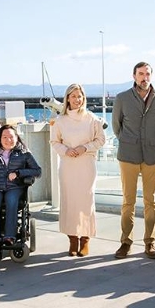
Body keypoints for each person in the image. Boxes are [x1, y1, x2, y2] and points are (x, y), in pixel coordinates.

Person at [112, 61, 155, 259]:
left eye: (147, 74)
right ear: (134, 76)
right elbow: (116, 126)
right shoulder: (122, 98)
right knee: (128, 201)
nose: (144, 78)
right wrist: (129, 141)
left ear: (151, 76)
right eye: (140, 74)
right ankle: (125, 242)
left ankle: (150, 243)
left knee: (150, 201)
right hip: (128, 156)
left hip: (153, 157)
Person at [50, 84, 106, 256]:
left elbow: (100, 140)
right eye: (73, 96)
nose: (76, 99)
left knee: (85, 202)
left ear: (84, 98)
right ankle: (72, 239)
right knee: (69, 202)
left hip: (86, 166)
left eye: (79, 96)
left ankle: (85, 239)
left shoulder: (92, 119)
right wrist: (66, 151)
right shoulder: (59, 121)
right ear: (67, 98)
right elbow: (54, 142)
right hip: (68, 166)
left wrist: (85, 148)